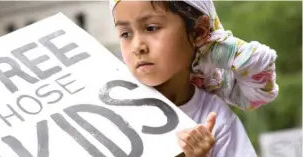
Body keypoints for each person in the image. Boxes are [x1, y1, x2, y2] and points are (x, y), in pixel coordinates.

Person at [110, 0, 278, 156]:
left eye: (151, 28)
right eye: (125, 34)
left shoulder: (217, 121)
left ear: (198, 32)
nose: (137, 46)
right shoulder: (110, 103)